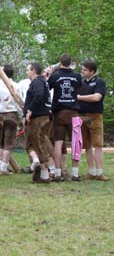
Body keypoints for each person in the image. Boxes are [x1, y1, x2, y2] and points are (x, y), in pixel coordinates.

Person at [47, 53, 82, 181]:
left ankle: (57, 173)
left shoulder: (55, 76)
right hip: (74, 113)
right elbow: (79, 88)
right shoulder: (77, 76)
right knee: (75, 143)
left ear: (60, 62)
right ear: (70, 62)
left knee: (58, 142)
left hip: (59, 113)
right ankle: (75, 173)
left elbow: (47, 88)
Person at [77, 59, 110, 181]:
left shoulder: (99, 82)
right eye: (82, 70)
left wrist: (79, 97)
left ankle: (100, 172)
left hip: (95, 116)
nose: (83, 72)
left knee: (98, 145)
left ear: (92, 71)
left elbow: (97, 97)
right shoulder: (80, 83)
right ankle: (91, 172)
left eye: (85, 70)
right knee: (87, 146)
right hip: (82, 117)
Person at [23, 63, 54, 183]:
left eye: (28, 70)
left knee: (38, 144)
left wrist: (30, 110)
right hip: (40, 116)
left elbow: (39, 95)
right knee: (30, 144)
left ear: (33, 71)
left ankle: (45, 175)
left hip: (39, 118)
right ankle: (39, 167)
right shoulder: (41, 81)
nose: (26, 72)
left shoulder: (37, 82)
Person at [0, 64, 22, 176]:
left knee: (1, 143)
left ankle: (1, 167)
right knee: (9, 143)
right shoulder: (16, 85)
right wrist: (22, 117)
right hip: (11, 115)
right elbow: (19, 103)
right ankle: (3, 168)